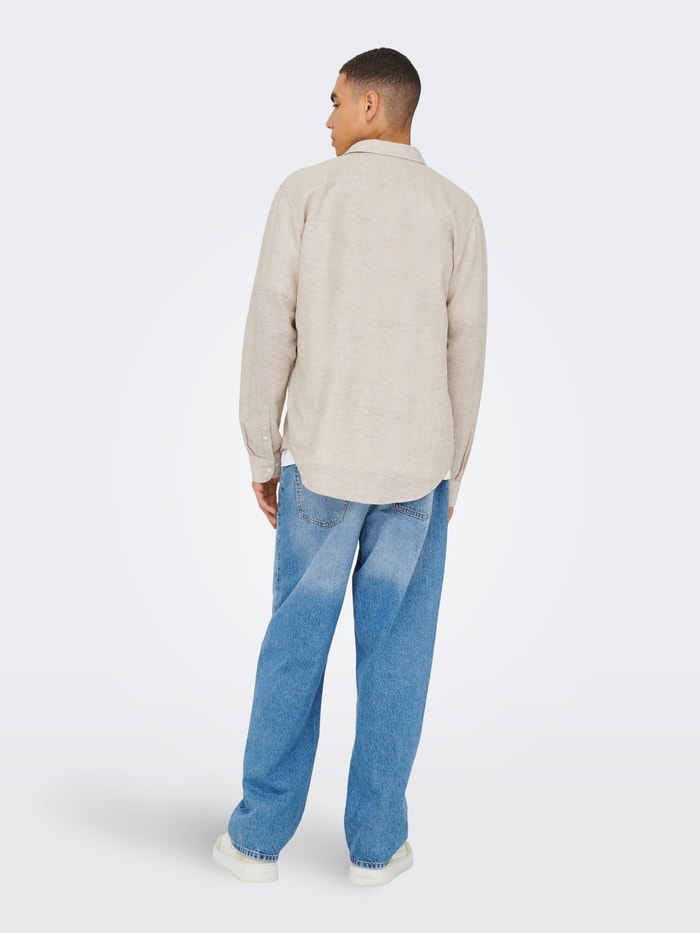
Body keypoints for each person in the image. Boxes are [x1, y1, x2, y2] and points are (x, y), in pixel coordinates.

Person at [212, 47, 487, 886]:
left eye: (334, 100)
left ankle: (257, 840)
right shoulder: (457, 211)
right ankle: (376, 847)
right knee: (398, 660)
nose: (325, 117)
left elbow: (271, 324)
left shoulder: (306, 194)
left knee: (293, 651)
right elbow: (466, 351)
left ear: (371, 105)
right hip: (416, 476)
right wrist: (452, 472)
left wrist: (262, 449)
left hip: (322, 465)